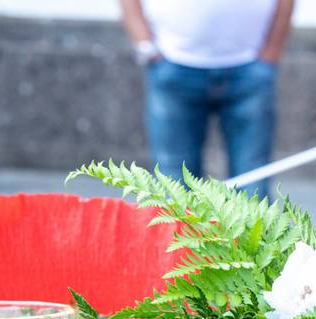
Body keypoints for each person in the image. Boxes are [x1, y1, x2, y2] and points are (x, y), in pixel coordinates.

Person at [119, 0, 295, 196]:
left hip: (249, 67)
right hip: (174, 64)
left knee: (253, 183)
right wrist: (145, 44)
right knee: (174, 183)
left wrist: (272, 51)